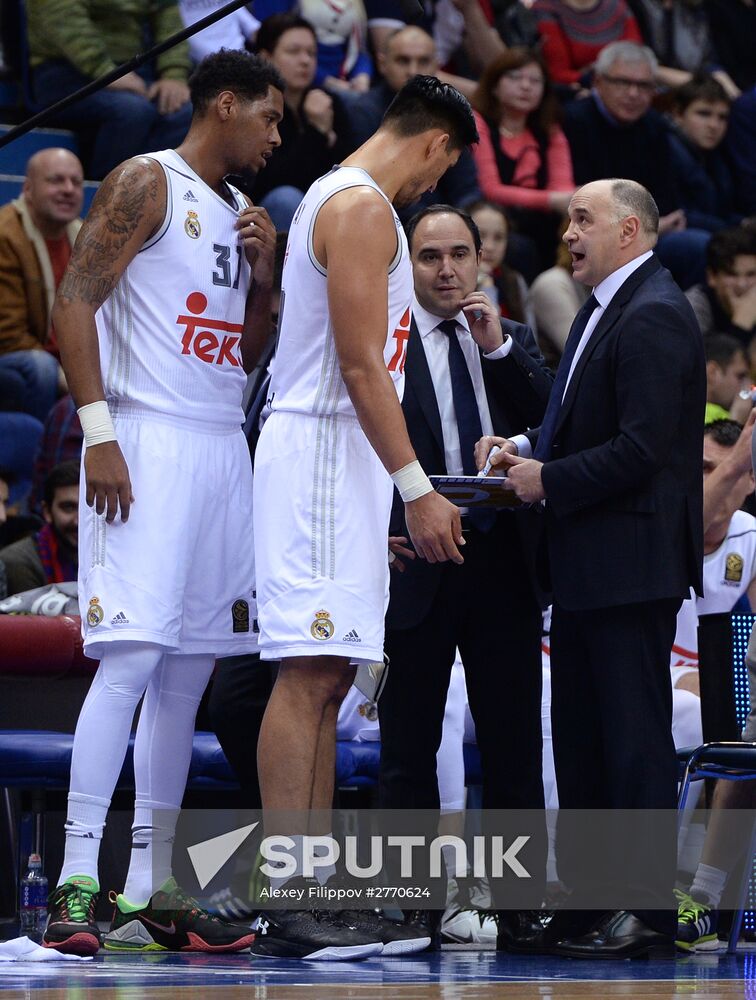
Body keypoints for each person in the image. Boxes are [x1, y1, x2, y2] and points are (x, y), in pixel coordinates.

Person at [40, 49, 285, 957]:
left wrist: (264, 282)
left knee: (188, 673)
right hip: (145, 437)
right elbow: (73, 303)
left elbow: (243, 353)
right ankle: (73, 884)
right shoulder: (150, 180)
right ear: (225, 103)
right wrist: (98, 433)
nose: (274, 137)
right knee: (133, 661)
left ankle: (151, 886)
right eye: (267, 117)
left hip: (222, 444)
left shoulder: (234, 213)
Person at [252, 75, 479, 960]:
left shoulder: (351, 203)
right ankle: (286, 894)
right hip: (316, 449)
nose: (436, 186)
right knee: (306, 674)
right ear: (433, 143)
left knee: (333, 675)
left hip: (339, 464)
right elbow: (358, 368)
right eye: (446, 166)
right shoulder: (359, 209)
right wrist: (418, 486)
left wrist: (380, 490)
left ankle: (311, 887)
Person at [482, 178, 706, 957]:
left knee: (632, 740)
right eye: (569, 218)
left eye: (585, 219)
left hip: (630, 561)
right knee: (579, 739)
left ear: (632, 231)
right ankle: (585, 904)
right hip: (586, 559)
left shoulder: (654, 314)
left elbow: (645, 449)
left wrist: (550, 479)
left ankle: (643, 910)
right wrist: (525, 448)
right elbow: (580, 424)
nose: (568, 231)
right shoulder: (604, 307)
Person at [376, 204, 553, 947]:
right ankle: (411, 907)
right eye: (429, 256)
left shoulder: (509, 338)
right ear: (406, 265)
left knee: (513, 743)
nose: (446, 269)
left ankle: (520, 909)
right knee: (409, 744)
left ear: (481, 260)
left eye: (459, 255)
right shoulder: (379, 341)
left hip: (502, 559)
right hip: (413, 557)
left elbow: (557, 423)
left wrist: (500, 353)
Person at [562, 41, 710, 288]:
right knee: (695, 246)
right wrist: (649, 226)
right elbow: (580, 198)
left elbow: (665, 196)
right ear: (598, 82)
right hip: (593, 234)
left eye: (643, 86)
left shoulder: (654, 125)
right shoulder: (573, 120)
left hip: (650, 230)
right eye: (622, 83)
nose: (633, 93)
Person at [27, 0, 193, 180]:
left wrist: (173, 73)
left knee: (189, 114)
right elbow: (61, 16)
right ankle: (106, 193)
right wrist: (104, 70)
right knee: (132, 112)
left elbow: (166, 12)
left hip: (136, 68)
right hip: (67, 70)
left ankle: (145, 189)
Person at [343, 27, 481, 220]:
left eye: (423, 61)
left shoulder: (452, 113)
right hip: (387, 217)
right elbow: (371, 184)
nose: (413, 70)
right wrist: (437, 223)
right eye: (403, 60)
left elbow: (466, 189)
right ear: (382, 64)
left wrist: (469, 220)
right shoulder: (363, 112)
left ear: (436, 64)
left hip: (444, 221)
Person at [470, 48, 575, 273]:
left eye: (535, 81)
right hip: (498, 219)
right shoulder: (479, 122)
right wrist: (549, 200)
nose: (526, 86)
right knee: (522, 247)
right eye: (515, 77)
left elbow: (563, 189)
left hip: (543, 222)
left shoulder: (550, 130)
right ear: (494, 86)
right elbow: (490, 189)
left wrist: (560, 199)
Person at [0, 148, 84, 421]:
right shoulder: (6, 235)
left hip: (68, 359)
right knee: (41, 368)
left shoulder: (87, 239)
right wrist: (66, 374)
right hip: (21, 356)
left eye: (76, 182)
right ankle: (39, 457)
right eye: (56, 180)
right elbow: (8, 334)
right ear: (28, 189)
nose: (68, 189)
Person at [250, 13, 350, 230]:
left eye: (311, 53)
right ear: (266, 58)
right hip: (271, 211)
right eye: (293, 52)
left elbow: (352, 170)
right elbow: (271, 182)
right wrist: (317, 132)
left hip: (326, 208)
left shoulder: (328, 101)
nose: (305, 60)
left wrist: (330, 140)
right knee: (286, 198)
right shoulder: (254, 107)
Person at [667, 76, 742, 234]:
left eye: (722, 117)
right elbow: (678, 213)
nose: (714, 125)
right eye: (704, 114)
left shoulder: (717, 155)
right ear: (678, 114)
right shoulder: (665, 149)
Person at [0, 460, 79, 598]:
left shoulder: (113, 556)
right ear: (47, 512)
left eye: (89, 509)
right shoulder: (19, 562)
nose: (78, 521)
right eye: (68, 507)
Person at [532, 0, 642, 94]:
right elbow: (557, 73)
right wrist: (596, 79)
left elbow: (636, 57)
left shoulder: (618, 5)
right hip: (575, 93)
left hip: (627, 85)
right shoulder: (547, 8)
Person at [685, 227, 756, 347]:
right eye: (732, 274)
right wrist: (740, 325)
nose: (742, 284)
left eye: (751, 274)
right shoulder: (690, 308)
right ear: (712, 277)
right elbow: (707, 364)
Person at [703, 334, 752, 425]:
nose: (748, 387)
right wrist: (736, 420)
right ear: (712, 373)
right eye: (740, 376)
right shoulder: (688, 412)